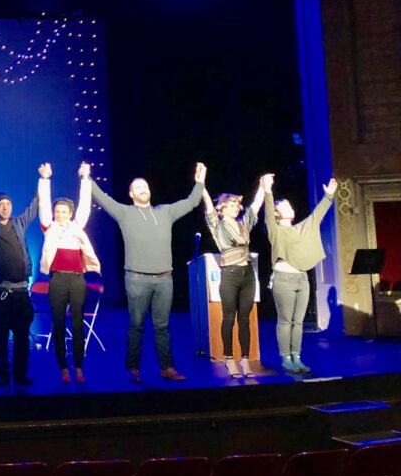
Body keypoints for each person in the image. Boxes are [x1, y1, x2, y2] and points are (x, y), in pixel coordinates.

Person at [90, 163, 206, 382]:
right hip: (136, 279)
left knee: (162, 326)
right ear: (132, 194)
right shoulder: (125, 212)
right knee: (137, 326)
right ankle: (133, 368)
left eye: (146, 186)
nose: (144, 188)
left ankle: (167, 367)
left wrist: (199, 181)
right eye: (138, 187)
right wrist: (87, 179)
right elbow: (103, 200)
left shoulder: (165, 212)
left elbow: (191, 202)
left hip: (164, 279)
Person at [262, 173, 337, 374]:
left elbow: (317, 215)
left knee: (298, 322)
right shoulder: (275, 230)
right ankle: (286, 357)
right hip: (283, 279)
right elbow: (268, 213)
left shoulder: (302, 228)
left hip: (302, 279)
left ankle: (297, 357)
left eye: (290, 205)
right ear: (277, 213)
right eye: (284, 206)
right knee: (285, 320)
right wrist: (267, 190)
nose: (290, 207)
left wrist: (328, 196)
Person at [0, 163, 41, 387]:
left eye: (8, 204)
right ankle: (3, 373)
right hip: (0, 293)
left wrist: (42, 179)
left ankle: (21, 374)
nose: (4, 208)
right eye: (0, 205)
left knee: (22, 336)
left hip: (21, 292)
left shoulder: (19, 223)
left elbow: (36, 205)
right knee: (1, 337)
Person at [38, 162, 100, 384]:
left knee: (76, 324)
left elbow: (85, 205)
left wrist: (85, 178)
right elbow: (44, 204)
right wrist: (45, 179)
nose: (60, 214)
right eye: (58, 212)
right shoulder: (49, 227)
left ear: (70, 214)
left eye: (64, 212)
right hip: (57, 279)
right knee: (58, 324)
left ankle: (79, 366)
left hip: (77, 280)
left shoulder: (77, 226)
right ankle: (63, 366)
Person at [201, 182, 264, 378]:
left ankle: (245, 360)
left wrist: (262, 186)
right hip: (229, 274)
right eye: (231, 204)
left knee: (244, 319)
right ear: (222, 208)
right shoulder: (217, 225)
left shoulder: (243, 224)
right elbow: (209, 208)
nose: (236, 206)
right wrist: (202, 186)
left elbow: (255, 206)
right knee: (229, 317)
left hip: (248, 275)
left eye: (237, 204)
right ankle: (229, 359)